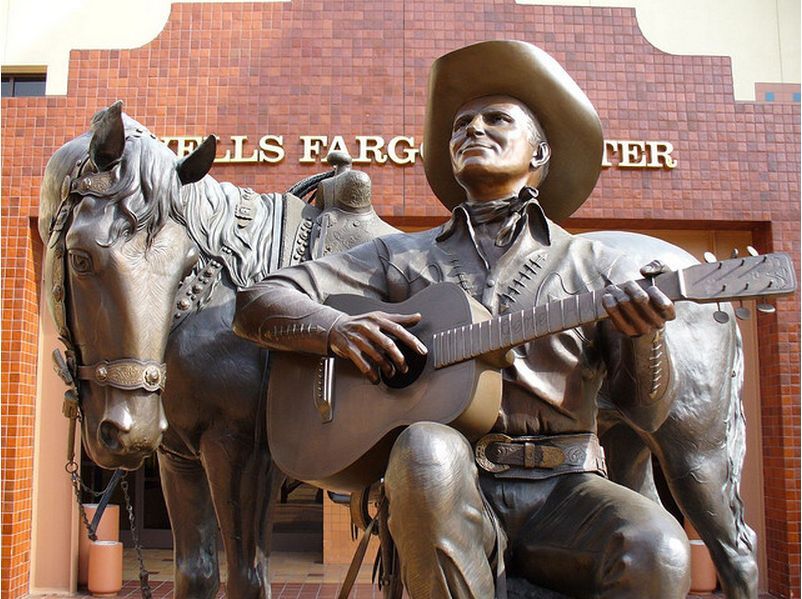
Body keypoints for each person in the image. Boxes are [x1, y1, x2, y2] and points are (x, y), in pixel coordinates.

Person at [234, 40, 690, 598]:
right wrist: (336, 331)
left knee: (659, 550)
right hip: (448, 486)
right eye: (460, 125)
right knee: (426, 449)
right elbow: (257, 301)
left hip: (566, 492)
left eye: (497, 119)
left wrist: (646, 339)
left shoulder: (598, 266)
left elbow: (646, 412)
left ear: (539, 154)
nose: (473, 128)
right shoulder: (401, 257)